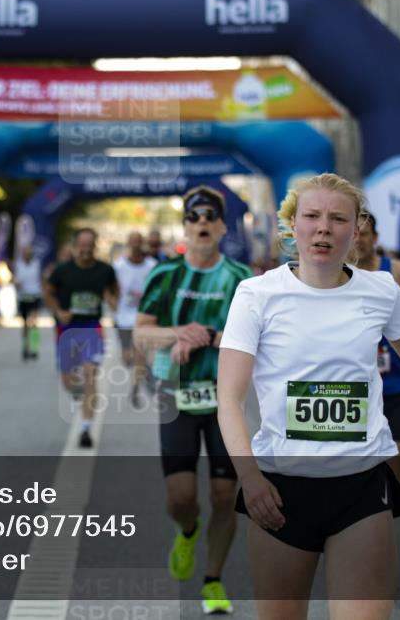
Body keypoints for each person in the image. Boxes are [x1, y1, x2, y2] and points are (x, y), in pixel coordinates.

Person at [217, 173, 400, 620]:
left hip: (361, 484)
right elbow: (230, 399)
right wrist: (250, 478)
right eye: (312, 216)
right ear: (292, 225)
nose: (323, 228)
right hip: (280, 487)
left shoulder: (381, 290)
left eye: (338, 219)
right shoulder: (256, 295)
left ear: (357, 229)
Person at [134, 186, 252, 615]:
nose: (202, 223)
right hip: (176, 393)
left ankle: (213, 580)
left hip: (224, 397)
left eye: (210, 217)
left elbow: (258, 337)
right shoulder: (164, 275)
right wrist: (178, 334)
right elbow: (141, 332)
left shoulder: (241, 278)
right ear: (185, 226)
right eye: (194, 217)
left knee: (225, 495)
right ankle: (187, 531)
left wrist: (214, 337)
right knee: (182, 497)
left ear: (222, 226)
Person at [354, 210, 400, 486]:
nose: (358, 240)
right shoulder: (336, 273)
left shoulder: (396, 271)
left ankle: (393, 508)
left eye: (365, 234)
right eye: (354, 233)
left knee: (397, 448)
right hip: (354, 380)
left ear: (376, 237)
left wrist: (395, 336)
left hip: (391, 378)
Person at [43, 228, 118, 448]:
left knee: (90, 374)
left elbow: (115, 290)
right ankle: (77, 392)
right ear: (76, 246)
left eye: (90, 245)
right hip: (68, 329)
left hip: (91, 327)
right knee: (68, 381)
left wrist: (111, 299)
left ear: (95, 246)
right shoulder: (63, 271)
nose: (86, 249)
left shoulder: (105, 270)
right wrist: (58, 311)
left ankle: (86, 428)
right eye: (82, 245)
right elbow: (48, 292)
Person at [113, 232, 156, 407]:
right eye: (133, 242)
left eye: (139, 242)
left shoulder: (152, 266)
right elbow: (110, 288)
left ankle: (135, 390)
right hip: (123, 318)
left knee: (139, 356)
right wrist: (111, 301)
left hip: (143, 319)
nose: (136, 245)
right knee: (127, 359)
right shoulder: (119, 266)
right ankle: (147, 371)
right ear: (128, 244)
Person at [13, 244, 44, 361]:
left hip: (35, 296)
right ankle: (25, 348)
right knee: (25, 325)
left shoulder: (37, 264)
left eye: (29, 253)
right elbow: (14, 279)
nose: (27, 255)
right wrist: (16, 284)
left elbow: (40, 278)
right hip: (23, 297)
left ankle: (34, 348)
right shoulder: (18, 265)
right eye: (25, 253)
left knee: (34, 323)